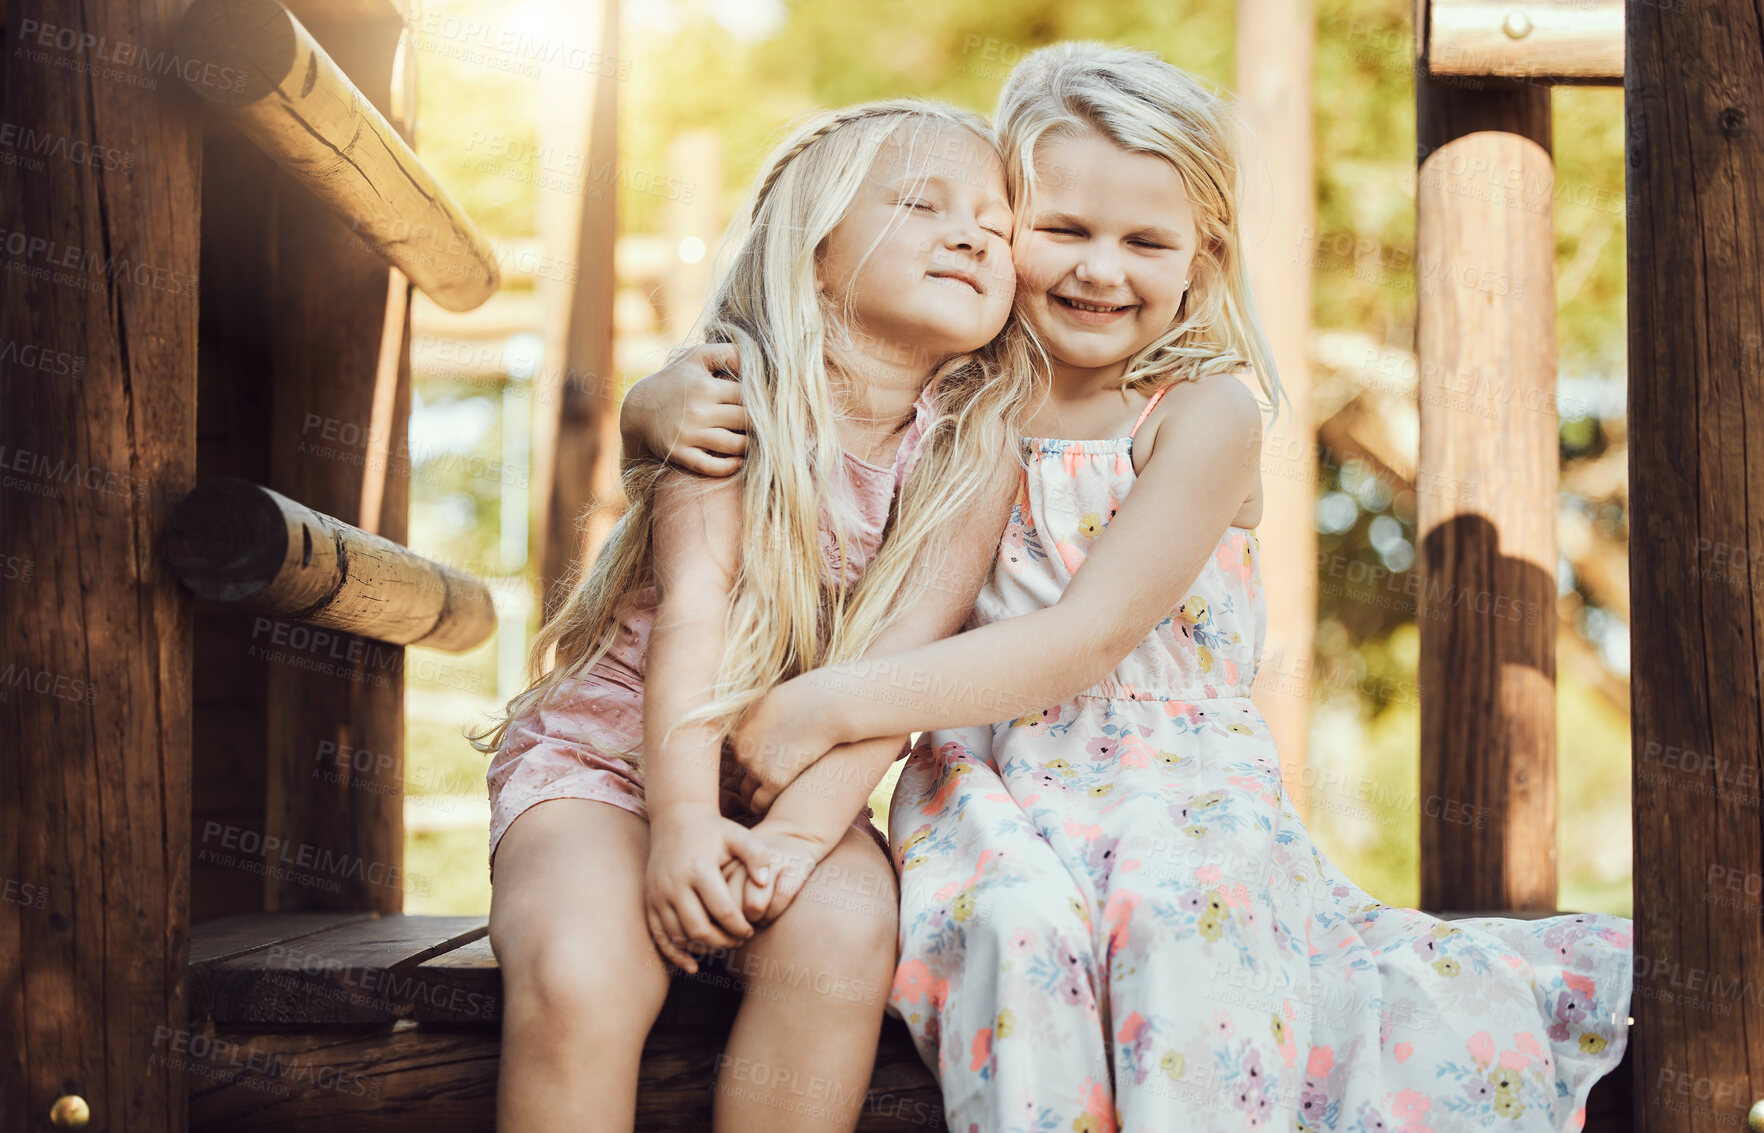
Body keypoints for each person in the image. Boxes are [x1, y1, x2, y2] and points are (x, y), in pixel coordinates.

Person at [623, 42, 1633, 1133]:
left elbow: (1086, 635)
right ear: (1008, 227)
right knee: (1014, 926)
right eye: (1063, 231)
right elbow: (796, 388)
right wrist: (654, 401)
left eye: (1145, 242)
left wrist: (817, 703)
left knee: (1173, 921)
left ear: (1204, 257)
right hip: (989, 785)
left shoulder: (1203, 413)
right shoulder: (963, 402)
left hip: (1178, 785)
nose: (1101, 270)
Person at [472, 98, 1035, 1133]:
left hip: (794, 789)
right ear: (814, 249)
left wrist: (794, 840)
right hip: (610, 768)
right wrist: (681, 821)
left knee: (849, 933)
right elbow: (697, 609)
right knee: (580, 967)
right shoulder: (734, 394)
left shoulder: (975, 450)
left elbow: (902, 671)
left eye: (998, 229)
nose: (972, 234)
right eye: (922, 203)